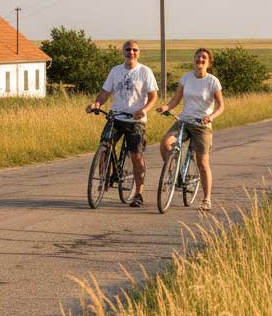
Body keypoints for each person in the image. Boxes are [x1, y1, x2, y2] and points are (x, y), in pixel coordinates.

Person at [86, 40, 159, 207]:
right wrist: (97, 104)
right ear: (123, 52)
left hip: (135, 120)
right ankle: (104, 177)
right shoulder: (115, 71)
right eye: (128, 49)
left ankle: (138, 193)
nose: (131, 52)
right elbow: (105, 92)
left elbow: (153, 96)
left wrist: (144, 110)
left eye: (134, 50)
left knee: (136, 156)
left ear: (138, 53)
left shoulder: (145, 72)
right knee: (104, 146)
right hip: (116, 116)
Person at [157, 47, 224, 211]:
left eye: (204, 58)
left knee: (202, 162)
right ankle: (172, 173)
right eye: (198, 57)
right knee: (165, 143)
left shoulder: (212, 81)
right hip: (184, 120)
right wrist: (166, 107)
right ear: (193, 60)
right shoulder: (186, 77)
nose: (200, 60)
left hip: (202, 125)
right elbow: (176, 99)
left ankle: (206, 199)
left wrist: (211, 117)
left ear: (208, 63)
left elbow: (221, 106)